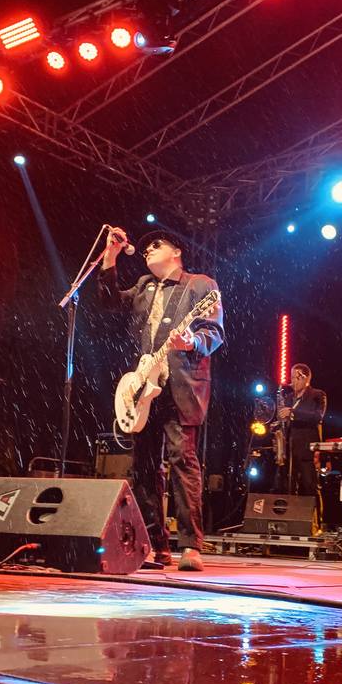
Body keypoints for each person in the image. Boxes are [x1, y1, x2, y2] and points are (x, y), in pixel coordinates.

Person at [99, 226, 224, 571]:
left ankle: (190, 546)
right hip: (145, 387)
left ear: (177, 251)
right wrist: (109, 256)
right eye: (144, 248)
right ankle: (156, 545)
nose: (148, 250)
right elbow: (109, 301)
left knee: (182, 461)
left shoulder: (201, 285)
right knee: (143, 467)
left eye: (157, 244)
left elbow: (214, 332)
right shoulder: (143, 286)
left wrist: (191, 342)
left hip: (180, 386)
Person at [275, 363, 326, 496]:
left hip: (306, 451)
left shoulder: (318, 395)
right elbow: (285, 419)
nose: (292, 381)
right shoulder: (288, 398)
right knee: (285, 489)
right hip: (288, 452)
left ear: (306, 378)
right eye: (291, 378)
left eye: (295, 378)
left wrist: (293, 412)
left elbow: (317, 417)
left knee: (309, 488)